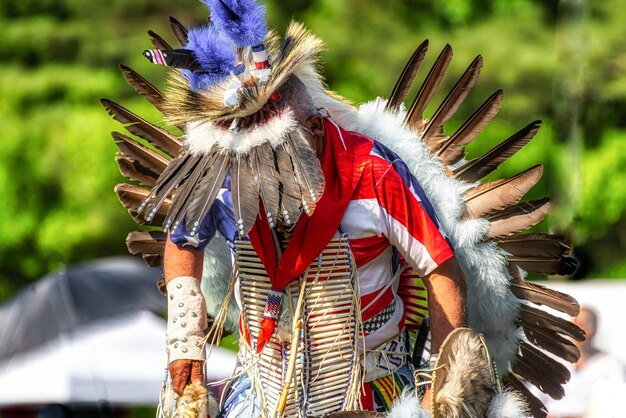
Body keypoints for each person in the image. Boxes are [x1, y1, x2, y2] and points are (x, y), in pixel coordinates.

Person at [163, 75, 466, 415]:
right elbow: (183, 241)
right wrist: (185, 336)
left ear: (316, 128)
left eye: (277, 156)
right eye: (253, 160)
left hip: (368, 383)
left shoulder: (373, 172)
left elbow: (440, 269)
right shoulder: (226, 171)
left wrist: (438, 392)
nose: (263, 173)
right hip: (263, 383)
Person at [547, 307, 626, 418]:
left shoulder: (612, 365)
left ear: (594, 330)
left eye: (584, 325)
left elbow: (616, 404)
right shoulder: (556, 362)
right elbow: (533, 396)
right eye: (575, 324)